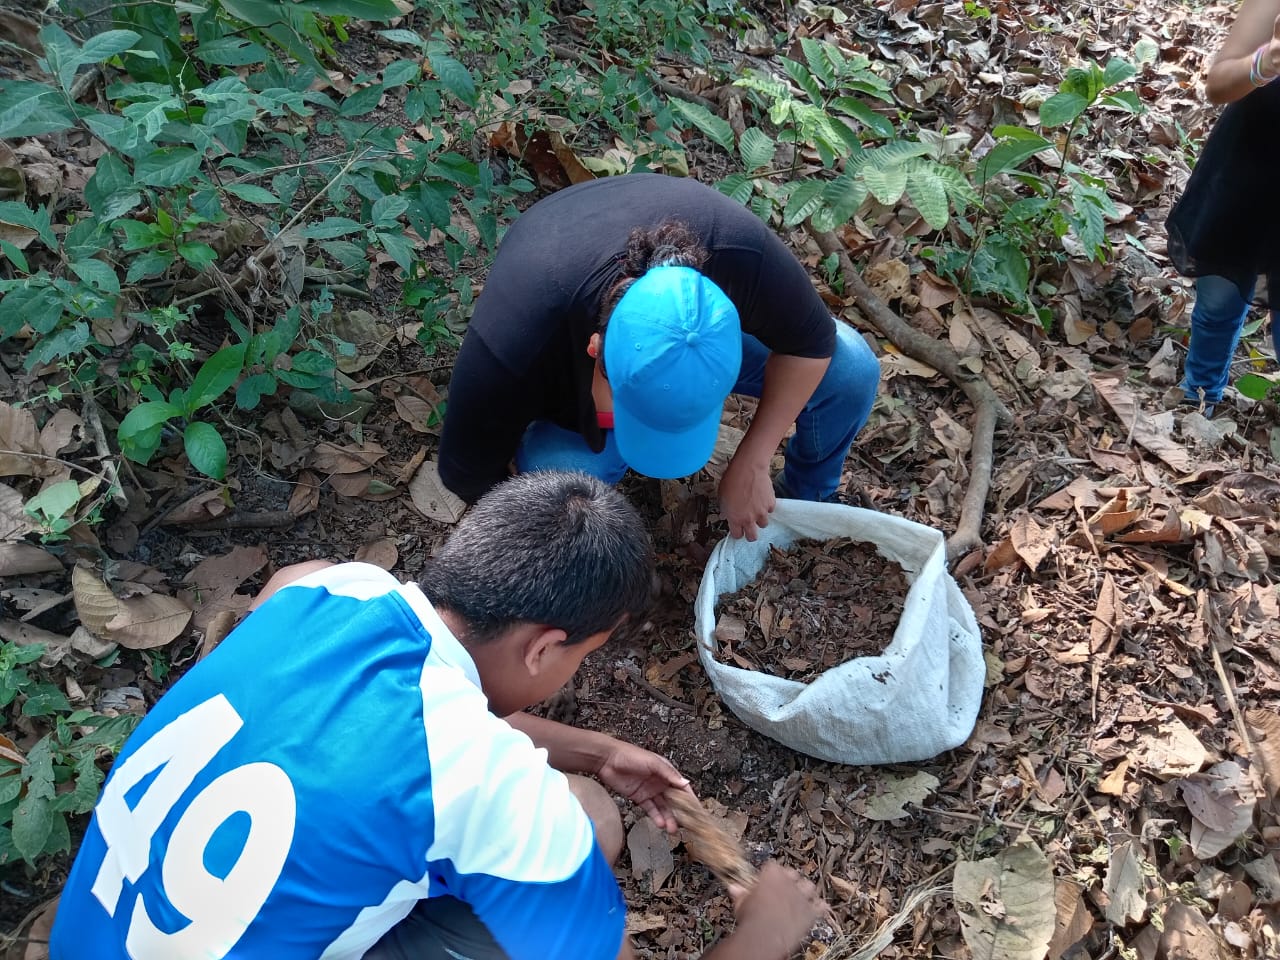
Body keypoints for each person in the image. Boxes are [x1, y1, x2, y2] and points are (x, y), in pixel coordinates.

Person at [50, 471, 824, 960]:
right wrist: (762, 934)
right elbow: (453, 751)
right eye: (583, 655)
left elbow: (397, 724)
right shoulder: (503, 795)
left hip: (90, 937)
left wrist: (596, 753)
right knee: (582, 827)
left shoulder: (321, 587)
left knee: (587, 807)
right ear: (544, 648)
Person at [437, 173, 881, 542]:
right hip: (556, 301)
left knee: (851, 369)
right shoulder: (517, 341)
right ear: (595, 351)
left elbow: (812, 344)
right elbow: (467, 474)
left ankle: (805, 504)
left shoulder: (736, 251)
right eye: (641, 415)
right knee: (557, 481)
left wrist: (754, 458)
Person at [1166, 0, 1280, 413]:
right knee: (1218, 300)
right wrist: (1267, 61)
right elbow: (1218, 85)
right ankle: (1199, 398)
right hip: (1246, 171)